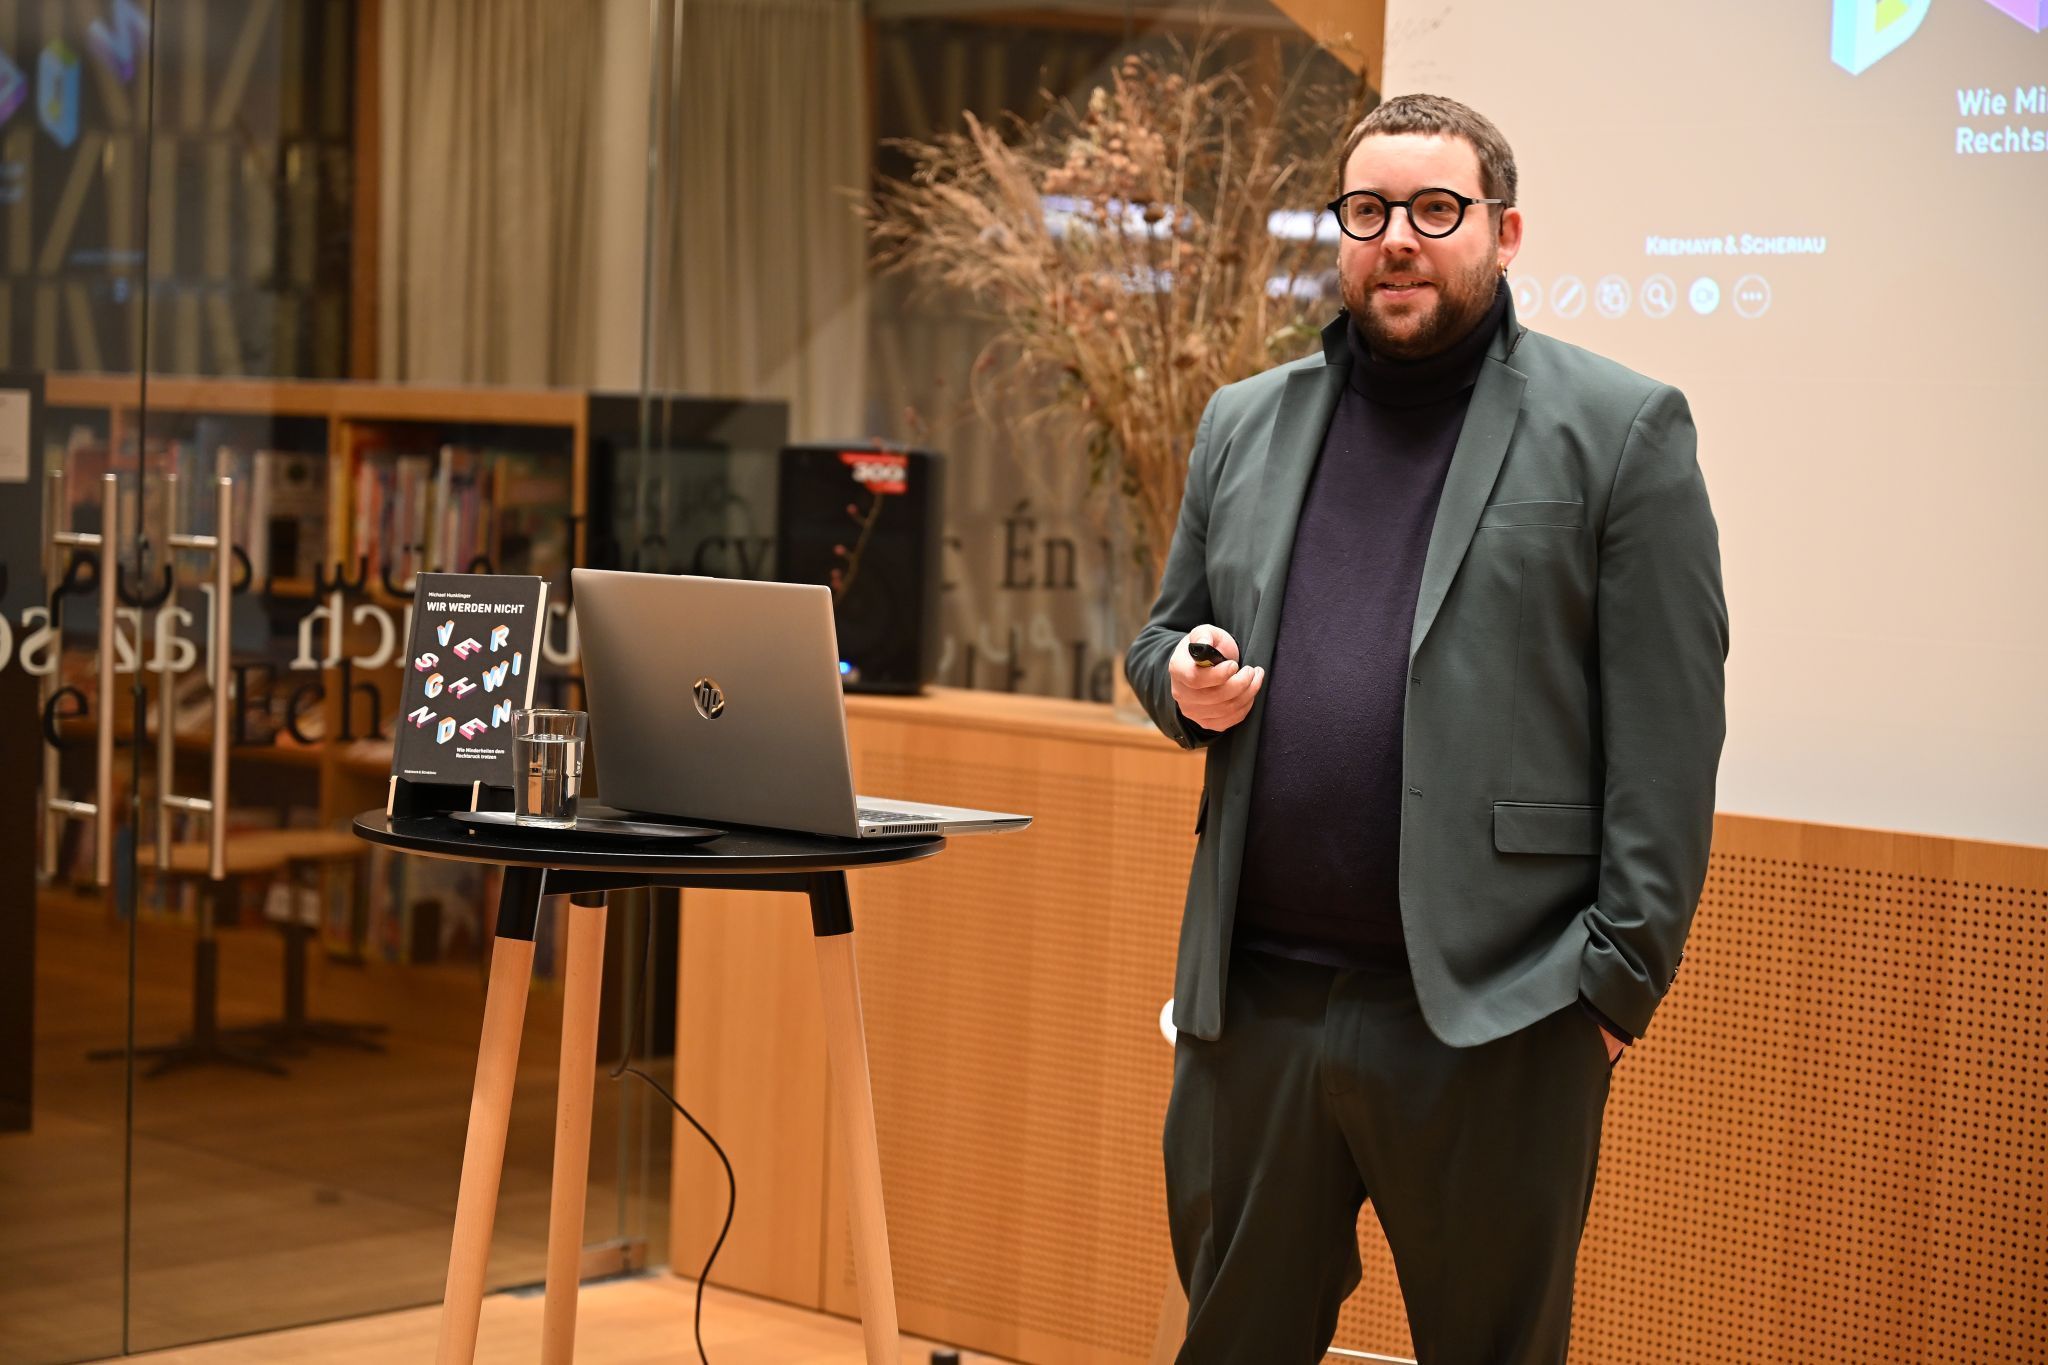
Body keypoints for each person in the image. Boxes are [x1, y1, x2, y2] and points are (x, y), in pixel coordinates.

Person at [1123, 93, 1727, 1364]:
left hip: (1497, 1019)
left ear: (1502, 234)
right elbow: (1158, 636)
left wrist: (1606, 994)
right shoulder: (1244, 419)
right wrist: (1183, 678)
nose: (1396, 237)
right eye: (1367, 209)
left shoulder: (1618, 429)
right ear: (1337, 234)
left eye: (1434, 210)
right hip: (1255, 1011)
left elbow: (1666, 740)